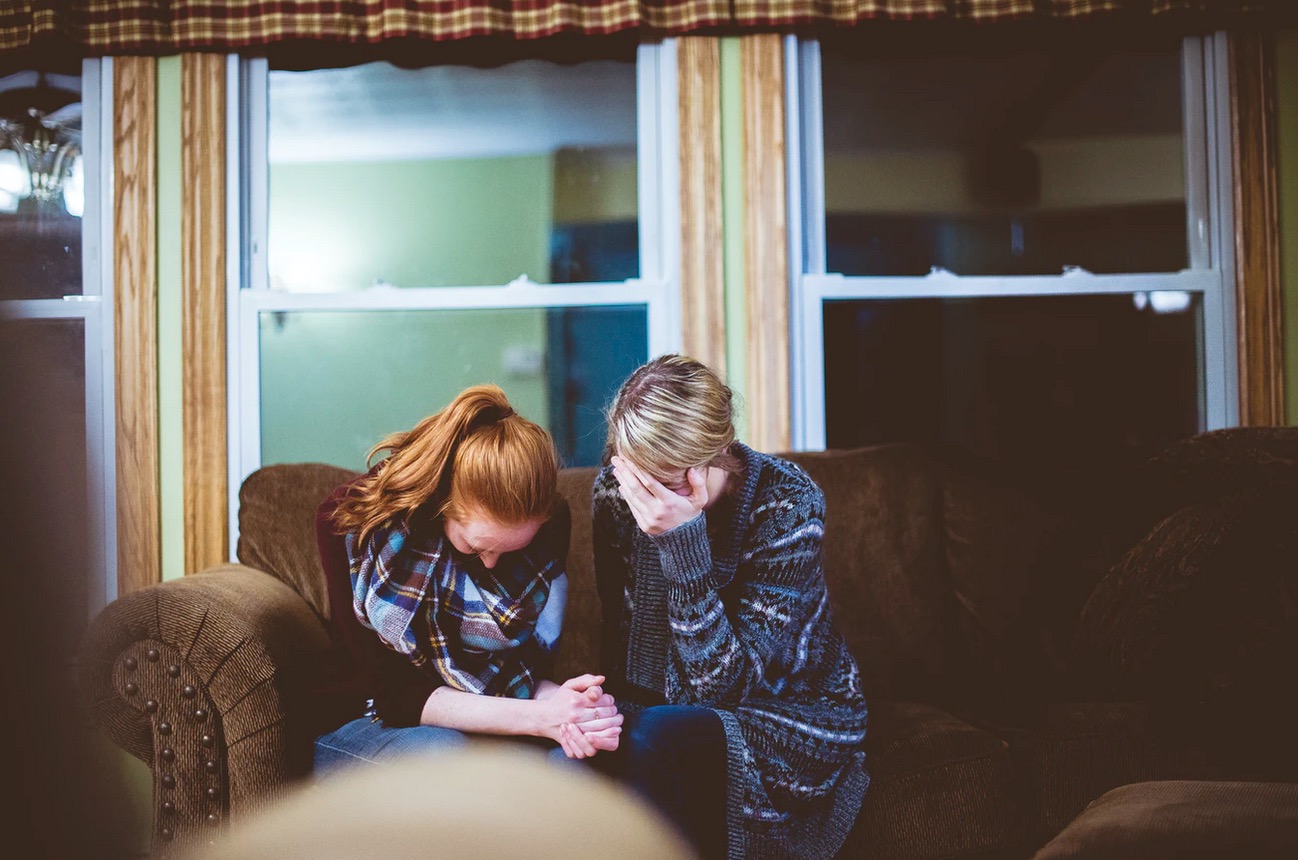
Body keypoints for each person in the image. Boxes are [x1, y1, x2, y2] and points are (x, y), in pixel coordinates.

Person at [587, 354, 870, 859]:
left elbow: (725, 688)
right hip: (667, 709)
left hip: (792, 710)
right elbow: (624, 642)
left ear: (714, 454)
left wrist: (683, 544)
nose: (645, 499)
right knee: (604, 745)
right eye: (638, 478)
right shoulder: (616, 493)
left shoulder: (787, 503)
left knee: (663, 736)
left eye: (666, 482)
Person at [313, 384, 623, 774]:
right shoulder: (350, 524)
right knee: (446, 755)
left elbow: (522, 675)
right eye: (477, 548)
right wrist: (541, 718)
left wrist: (571, 706)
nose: (492, 564)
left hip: (484, 716)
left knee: (578, 762)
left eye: (508, 551)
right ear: (441, 504)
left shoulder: (548, 527)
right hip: (369, 719)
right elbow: (394, 695)